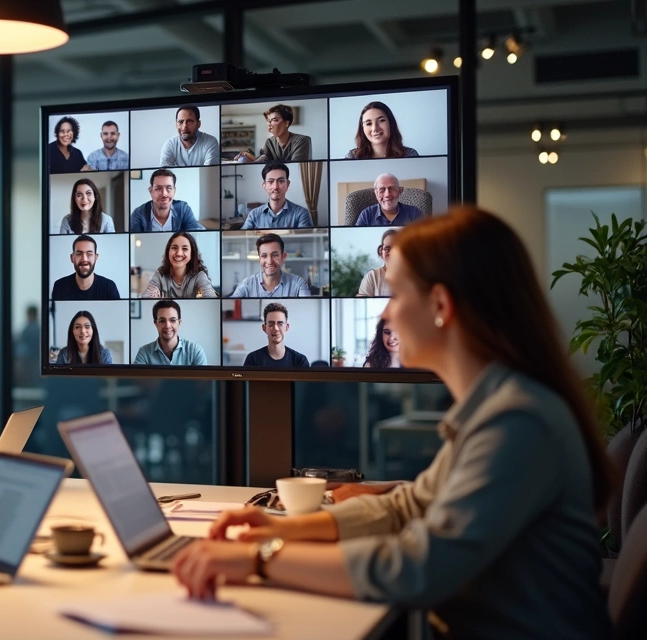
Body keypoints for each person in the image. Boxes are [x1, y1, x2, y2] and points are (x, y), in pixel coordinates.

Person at [170, 207, 614, 640]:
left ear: (440, 304)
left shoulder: (517, 421)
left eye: (397, 294)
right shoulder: (494, 406)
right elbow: (407, 508)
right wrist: (283, 529)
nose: (386, 314)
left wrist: (259, 559)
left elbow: (420, 567)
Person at [226, 234, 311, 298]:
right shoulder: (246, 285)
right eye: (264, 256)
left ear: (283, 257)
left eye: (275, 255)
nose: (269, 261)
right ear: (260, 259)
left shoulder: (299, 284)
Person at [142, 232, 218, 299]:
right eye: (174, 248)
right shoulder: (160, 274)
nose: (179, 253)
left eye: (185, 248)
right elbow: (146, 296)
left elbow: (210, 296)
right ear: (168, 251)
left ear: (192, 253)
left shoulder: (199, 276)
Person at [241, 163, 314, 229]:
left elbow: (305, 242)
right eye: (270, 181)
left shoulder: (302, 214)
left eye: (281, 181)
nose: (275, 187)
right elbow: (244, 240)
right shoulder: (254, 215)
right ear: (264, 186)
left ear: (287, 184)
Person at [134, 300, 207, 366]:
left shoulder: (195, 351)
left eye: (172, 320)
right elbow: (138, 381)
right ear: (156, 323)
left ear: (179, 323)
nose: (167, 326)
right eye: (162, 321)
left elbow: (203, 380)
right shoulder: (144, 353)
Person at [129, 169, 205, 232]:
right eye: (158, 188)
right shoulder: (138, 213)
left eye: (169, 188)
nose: (164, 194)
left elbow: (193, 235)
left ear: (174, 191)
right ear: (151, 191)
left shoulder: (184, 209)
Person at [50, 235, 122, 300]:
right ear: (72, 258)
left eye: (89, 254)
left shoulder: (109, 287)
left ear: (96, 257)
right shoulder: (59, 286)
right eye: (79, 254)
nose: (84, 259)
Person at [235, 104, 311, 163]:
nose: (269, 124)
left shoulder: (301, 141)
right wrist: (248, 157)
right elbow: (264, 159)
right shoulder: (269, 142)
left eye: (274, 120)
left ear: (286, 123)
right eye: (268, 120)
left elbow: (295, 167)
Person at [242, 303, 310, 368]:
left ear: (287, 327)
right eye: (271, 324)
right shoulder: (252, 359)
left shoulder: (300, 361)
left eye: (280, 323)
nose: (276, 328)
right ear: (264, 328)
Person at [344, 101, 419, 159]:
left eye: (381, 120)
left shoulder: (409, 155)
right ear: (362, 128)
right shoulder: (353, 157)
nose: (375, 129)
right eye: (369, 123)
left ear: (391, 123)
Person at [354, 174, 424, 226]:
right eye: (382, 190)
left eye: (392, 188)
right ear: (376, 193)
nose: (387, 194)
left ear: (400, 191)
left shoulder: (414, 214)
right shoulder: (366, 215)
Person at [357, 229, 397, 296]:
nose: (390, 252)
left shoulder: (413, 276)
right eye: (387, 248)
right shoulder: (372, 276)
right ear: (381, 251)